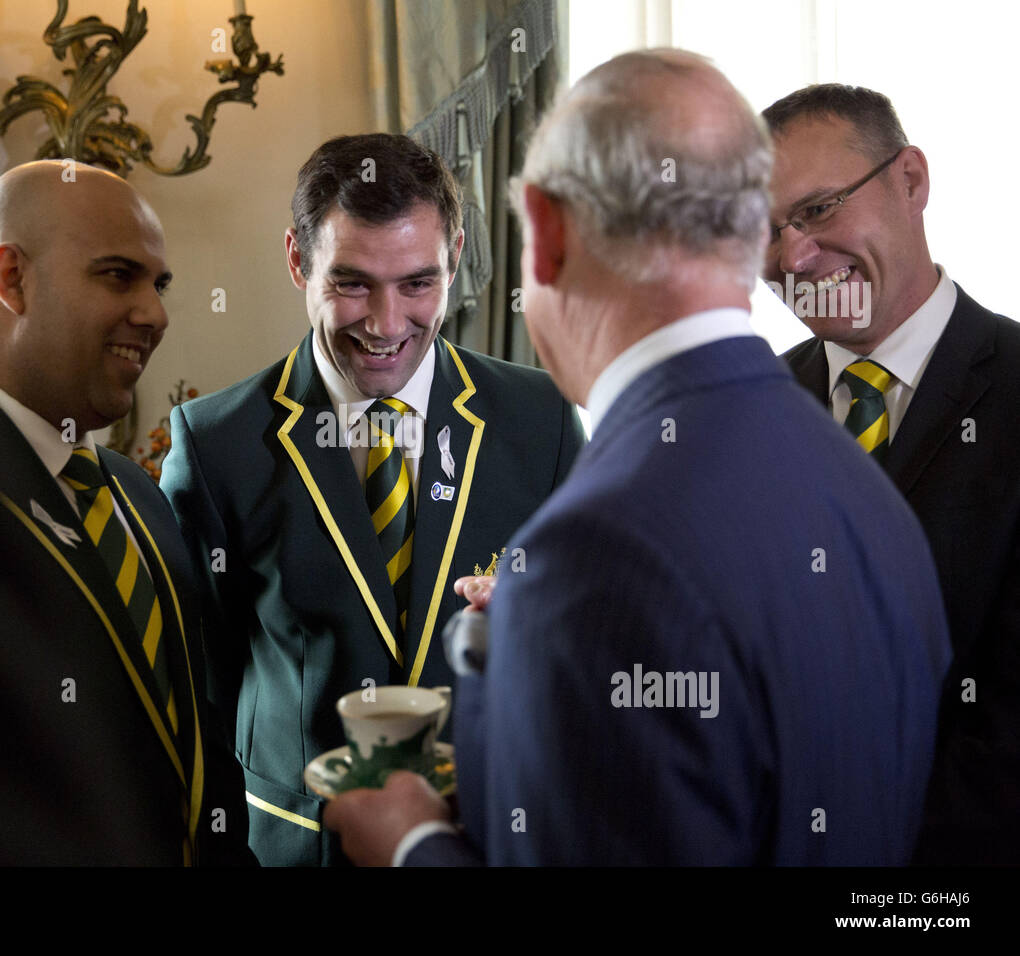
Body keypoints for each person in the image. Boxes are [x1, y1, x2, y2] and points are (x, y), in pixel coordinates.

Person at [324, 50, 950, 866]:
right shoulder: (867, 492)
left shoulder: (597, 555)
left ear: (546, 232)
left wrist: (413, 846)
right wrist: (522, 654)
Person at [159, 133, 586, 865]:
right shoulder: (215, 444)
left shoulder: (542, 418)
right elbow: (198, 696)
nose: (387, 326)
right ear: (298, 260)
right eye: (352, 283)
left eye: (418, 283)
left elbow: (586, 651)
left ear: (455, 255)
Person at [0, 160, 252, 865]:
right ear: (11, 278)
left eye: (158, 284)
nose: (155, 314)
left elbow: (194, 754)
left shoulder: (137, 494)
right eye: (117, 275)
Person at [763, 85, 1020, 863]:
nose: (793, 257)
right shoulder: (742, 411)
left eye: (818, 210)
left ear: (910, 179)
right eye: (761, 231)